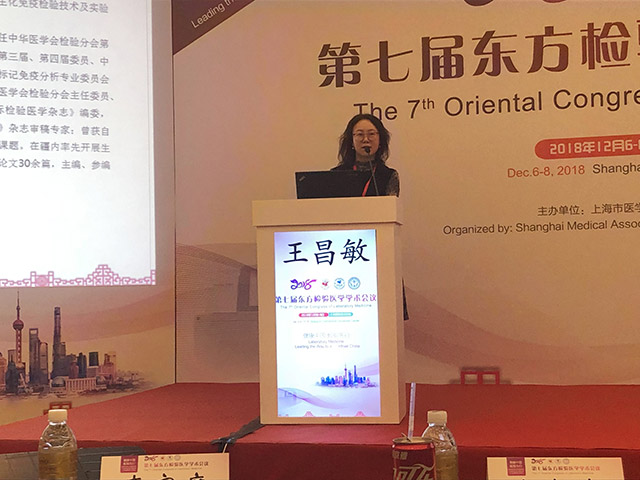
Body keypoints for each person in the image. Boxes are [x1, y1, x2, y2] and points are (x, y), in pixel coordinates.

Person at [333, 113, 399, 197]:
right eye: (360, 134)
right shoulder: (336, 175)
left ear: (380, 140)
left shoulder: (389, 175)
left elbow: (390, 204)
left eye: (371, 134)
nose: (366, 139)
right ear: (351, 141)